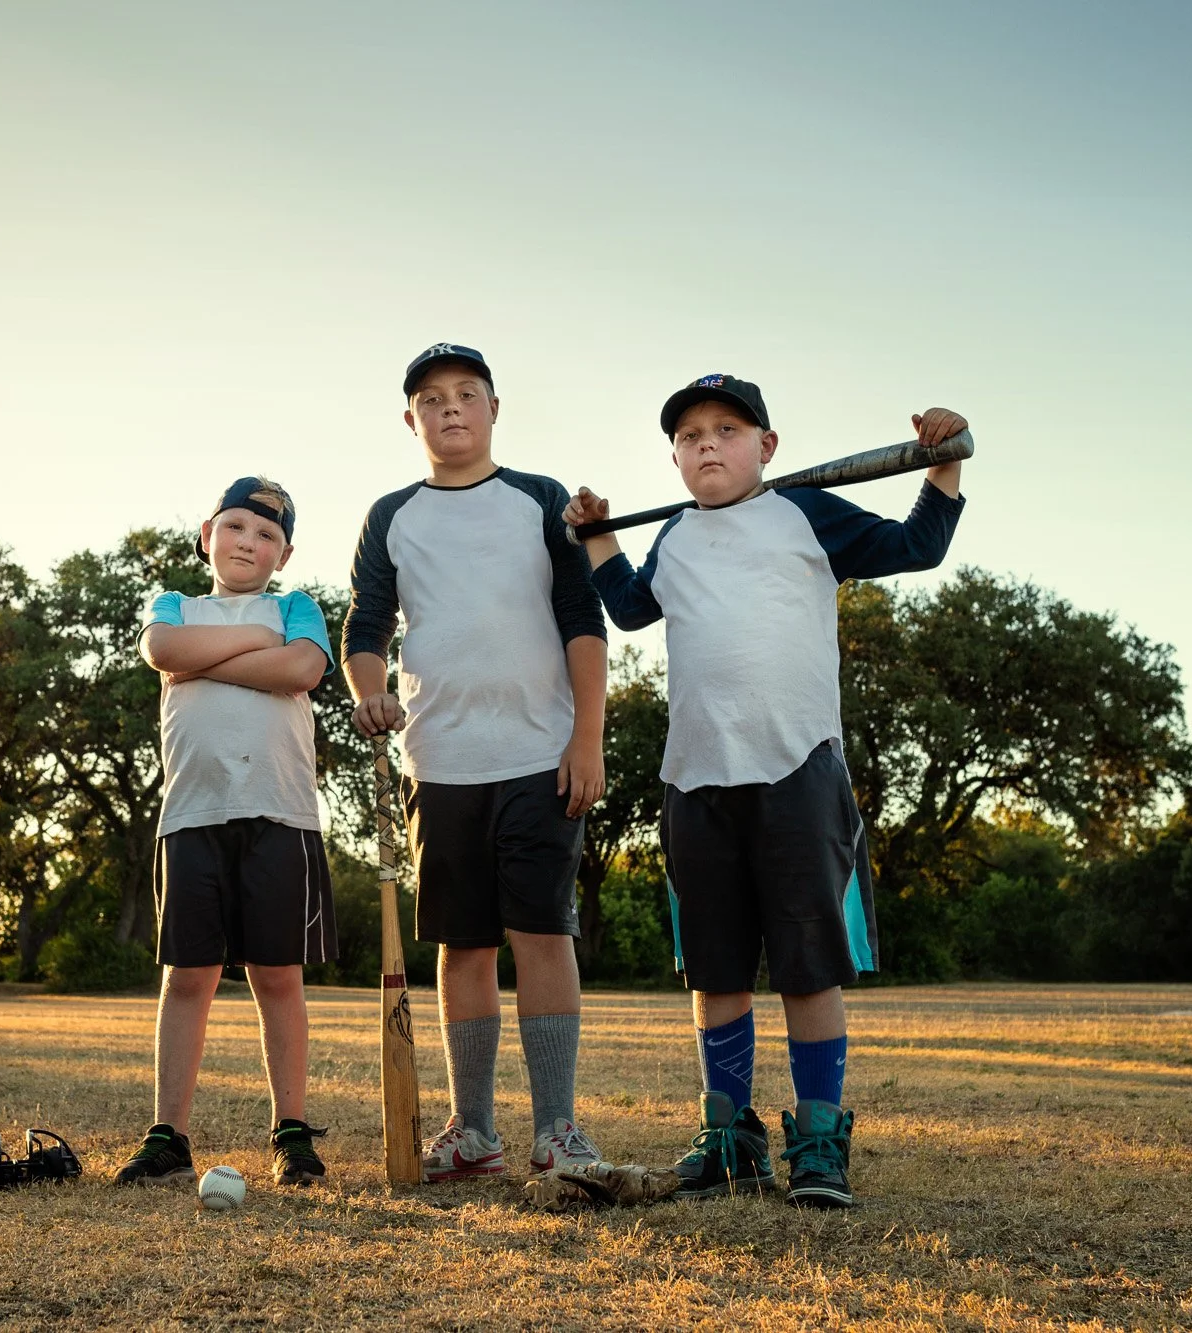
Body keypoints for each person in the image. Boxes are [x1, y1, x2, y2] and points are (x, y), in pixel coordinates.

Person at [566, 374, 968, 1206]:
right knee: (715, 973)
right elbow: (633, 608)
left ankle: (819, 1141)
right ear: (675, 456)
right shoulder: (674, 536)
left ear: (768, 447)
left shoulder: (806, 515)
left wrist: (944, 467)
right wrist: (598, 535)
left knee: (807, 968)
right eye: (689, 436)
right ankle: (729, 1137)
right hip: (696, 781)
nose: (707, 444)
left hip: (798, 770)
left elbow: (915, 547)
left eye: (727, 429)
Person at [343, 343, 609, 1180]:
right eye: (431, 398)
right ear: (411, 417)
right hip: (440, 758)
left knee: (541, 930)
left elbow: (582, 620)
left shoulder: (538, 500)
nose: (450, 408)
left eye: (466, 394)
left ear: (495, 408)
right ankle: (475, 1129)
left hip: (539, 753)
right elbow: (365, 627)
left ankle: (558, 1129)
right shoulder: (393, 514)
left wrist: (588, 738)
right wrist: (370, 691)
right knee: (461, 944)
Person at [116, 476, 338, 1189]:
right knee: (189, 976)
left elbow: (303, 666)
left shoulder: (296, 608)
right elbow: (162, 649)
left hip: (279, 811)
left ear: (286, 552)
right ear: (207, 533)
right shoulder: (175, 604)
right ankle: (168, 1135)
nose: (250, 541)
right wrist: (252, 647)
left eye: (268, 534)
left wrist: (205, 654)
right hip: (194, 815)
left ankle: (292, 1130)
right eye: (237, 526)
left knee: (278, 975)